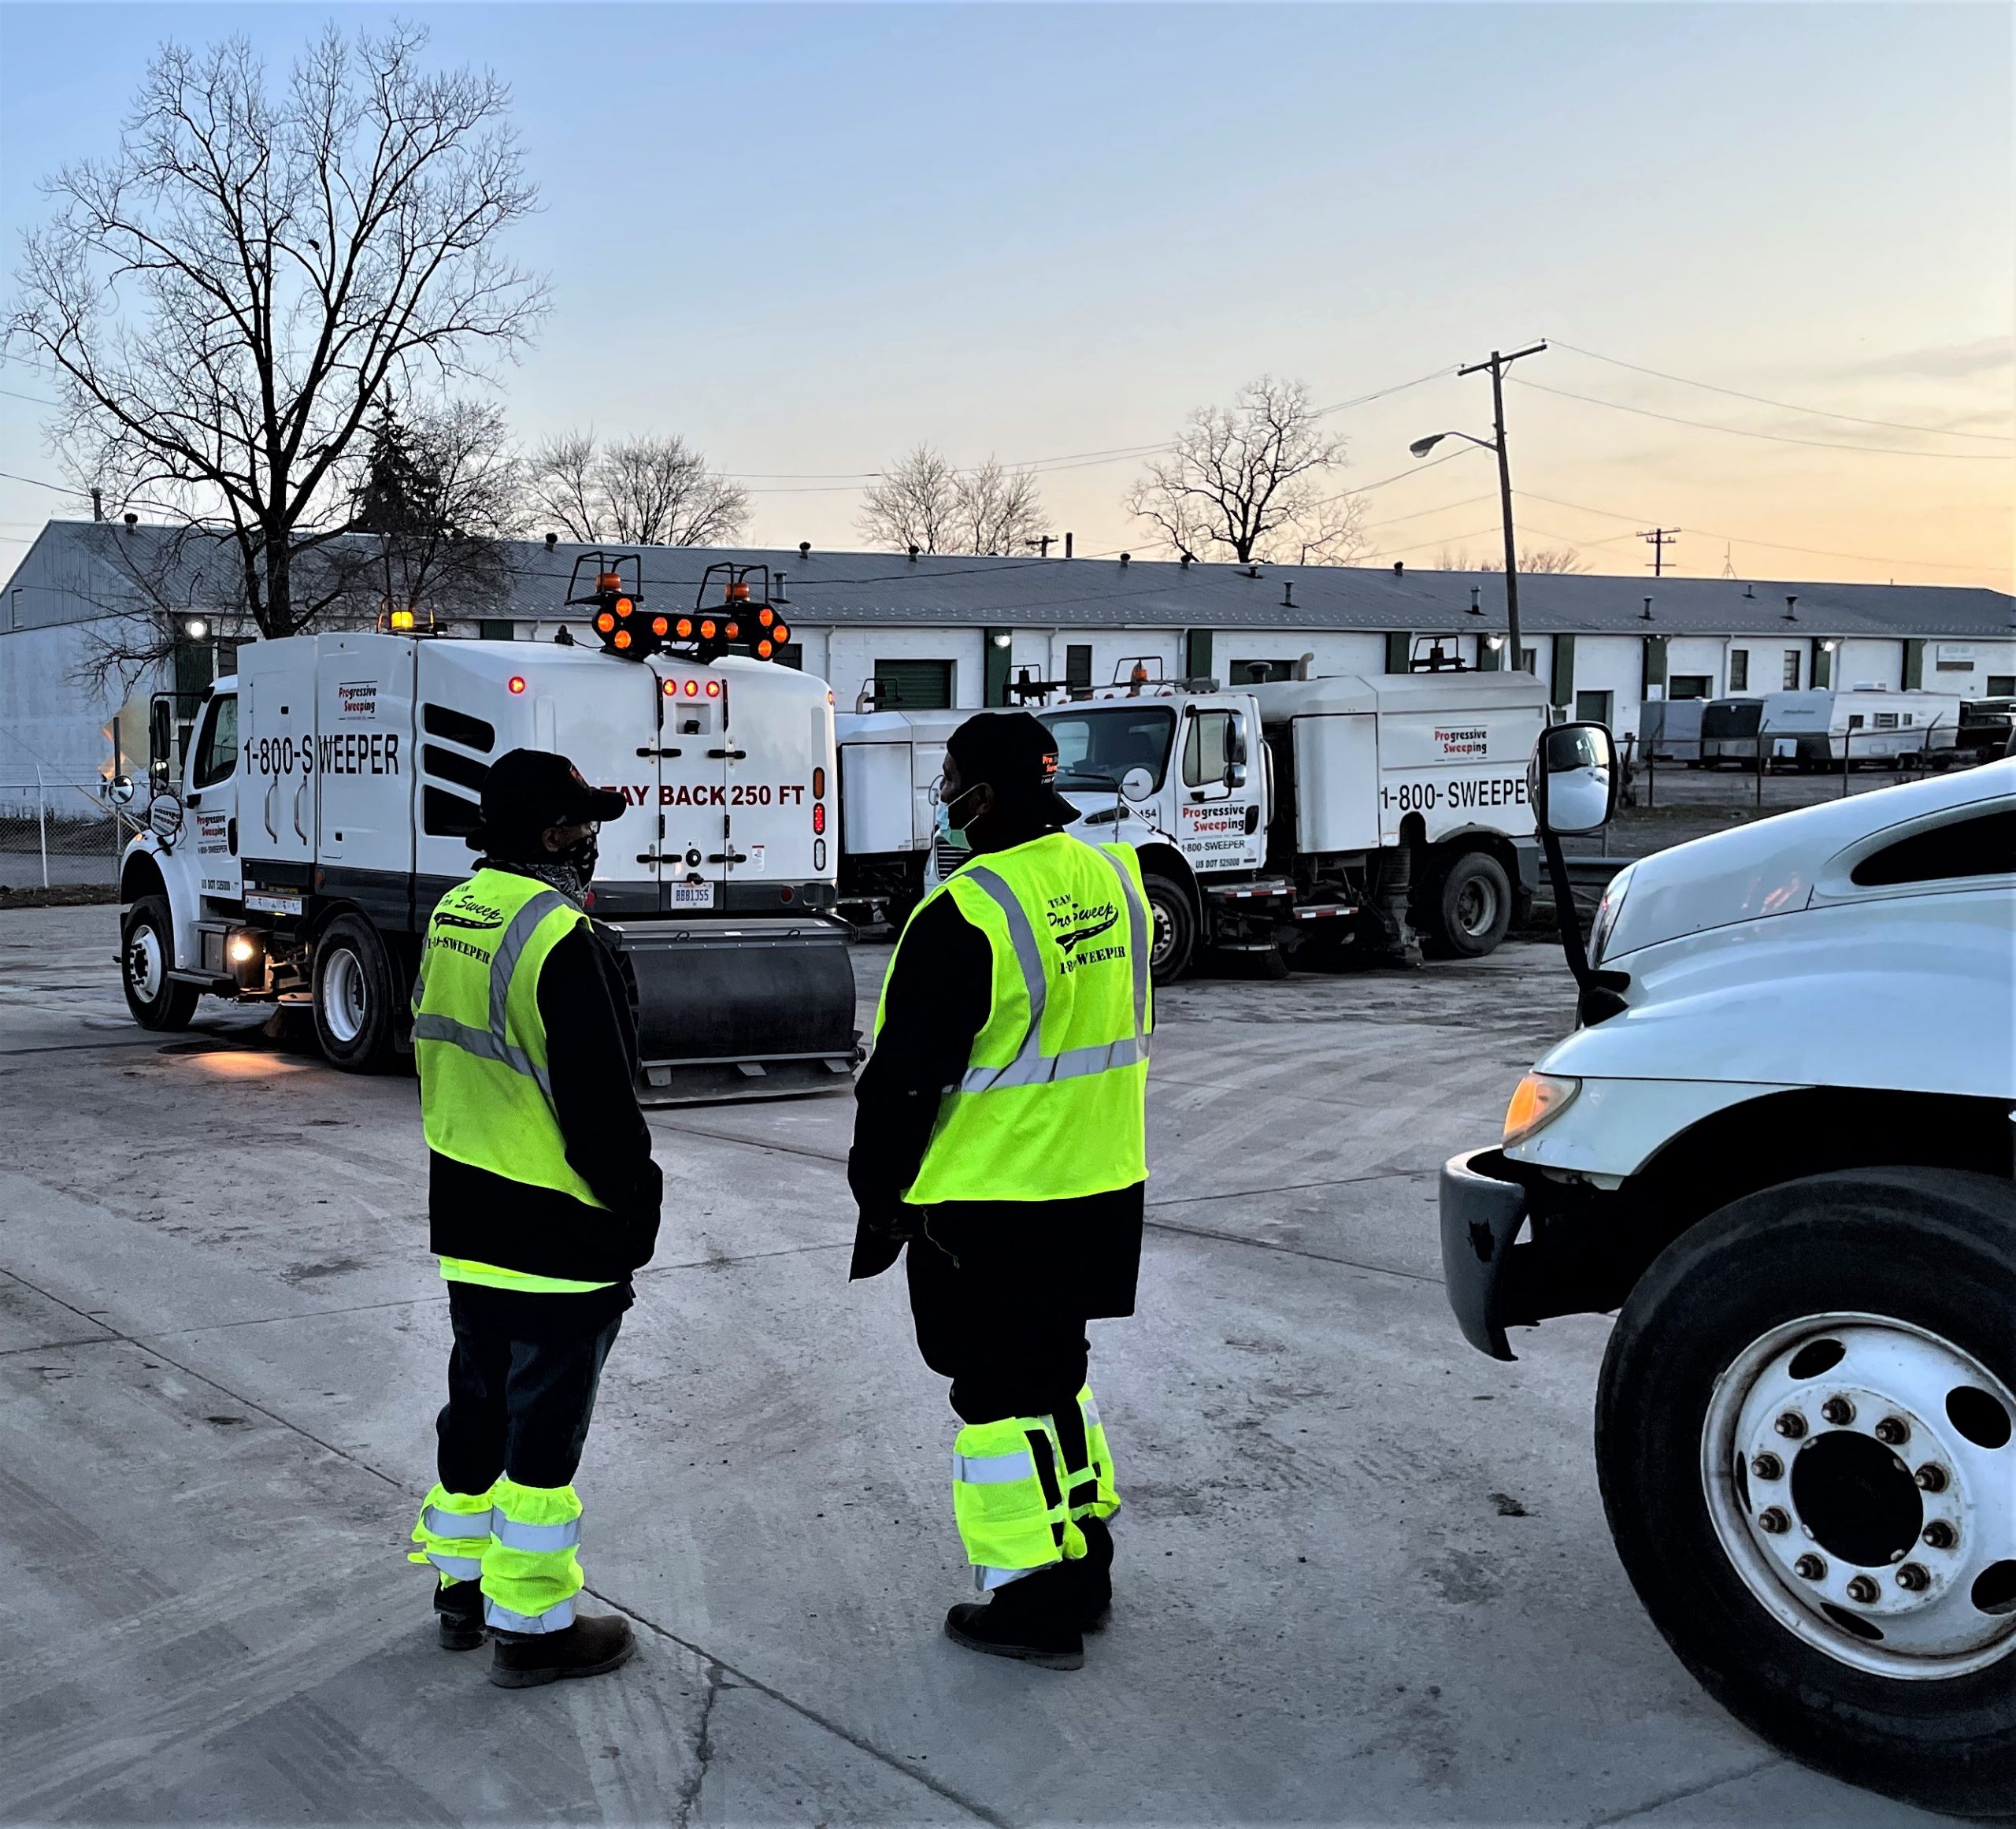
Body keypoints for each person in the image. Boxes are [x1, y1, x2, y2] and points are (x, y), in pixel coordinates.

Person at [850, 711, 1152, 1671]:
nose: (941, 800)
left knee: (994, 1400)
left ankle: (1031, 1599)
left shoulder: (964, 912)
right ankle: (1084, 1562)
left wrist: (880, 1190)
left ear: (979, 796)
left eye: (948, 782)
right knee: (1057, 1374)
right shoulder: (1116, 877)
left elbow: (903, 1080)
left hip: (990, 1200)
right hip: (1100, 1181)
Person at [406, 748, 662, 1689]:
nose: (593, 843)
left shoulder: (454, 913)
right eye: (585, 825)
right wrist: (636, 1210)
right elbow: (602, 1111)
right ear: (555, 835)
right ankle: (535, 1629)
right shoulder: (564, 939)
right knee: (542, 1442)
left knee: (474, 1409)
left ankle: (460, 1595)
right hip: (558, 1227)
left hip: (468, 1215)